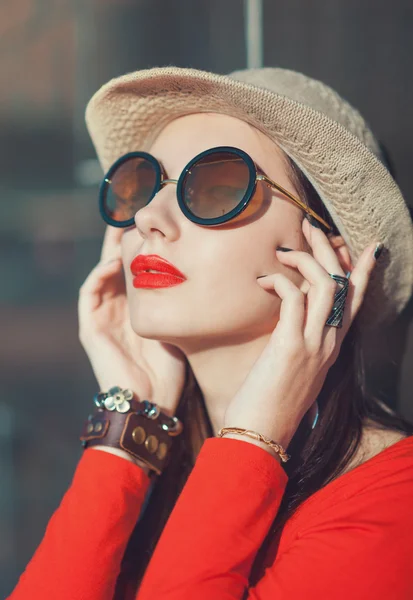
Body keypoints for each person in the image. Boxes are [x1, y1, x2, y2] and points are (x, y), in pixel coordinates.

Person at [8, 66, 413, 600]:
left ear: (328, 259)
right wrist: (126, 432)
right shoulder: (160, 487)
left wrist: (251, 442)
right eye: (142, 185)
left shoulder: (390, 507)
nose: (149, 216)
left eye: (218, 187)